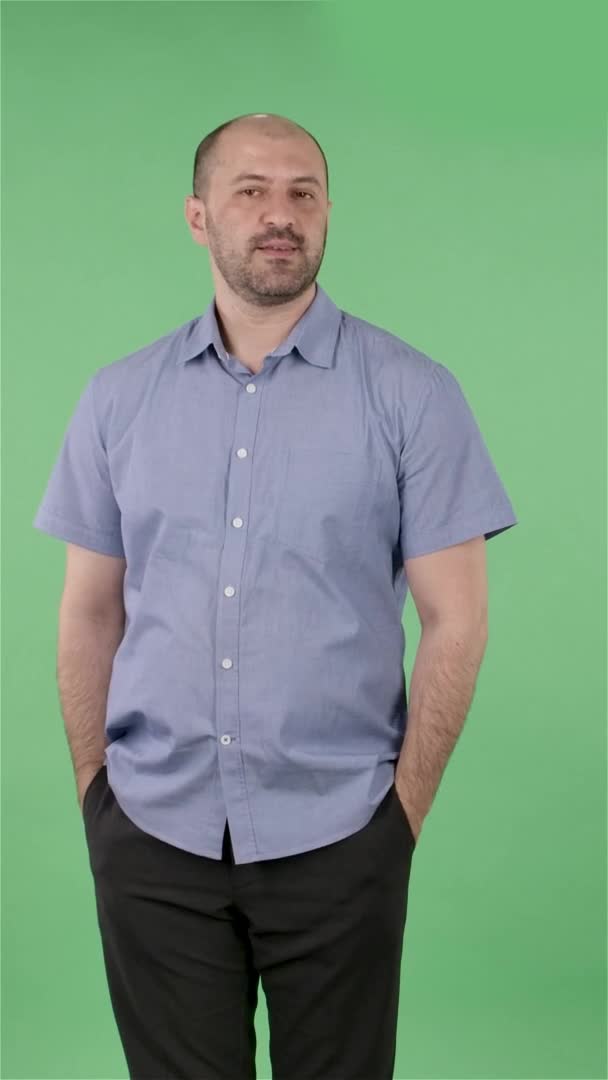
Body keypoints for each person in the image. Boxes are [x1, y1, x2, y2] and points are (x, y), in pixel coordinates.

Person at [33, 111, 518, 1079]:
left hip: (340, 837)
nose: (278, 215)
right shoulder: (117, 400)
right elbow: (88, 613)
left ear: (327, 212)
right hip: (153, 837)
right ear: (197, 214)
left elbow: (455, 619)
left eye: (301, 192)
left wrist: (399, 821)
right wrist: (97, 800)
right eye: (250, 191)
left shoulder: (411, 395)